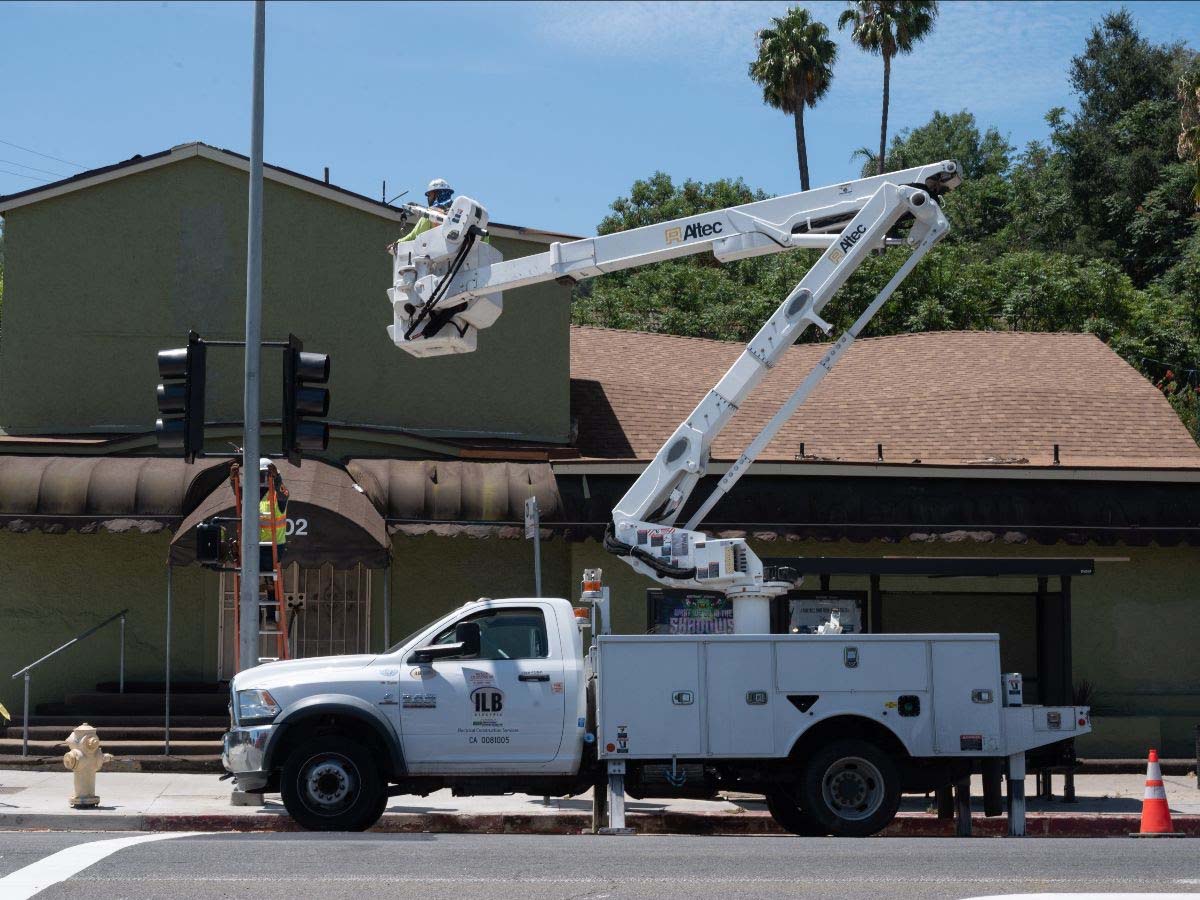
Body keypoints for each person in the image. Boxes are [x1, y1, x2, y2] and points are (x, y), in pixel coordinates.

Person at [257, 457, 289, 574]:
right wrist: (232, 480)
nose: (263, 479)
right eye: (260, 475)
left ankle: (271, 589)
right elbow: (238, 495)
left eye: (265, 475)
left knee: (271, 579)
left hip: (275, 545)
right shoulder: (252, 494)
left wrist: (277, 479)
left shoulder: (277, 494)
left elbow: (283, 494)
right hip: (256, 544)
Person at [398, 178, 454, 243]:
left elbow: (414, 236)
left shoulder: (430, 214)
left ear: (436, 194)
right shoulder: (455, 213)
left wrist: (398, 243)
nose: (428, 198)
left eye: (429, 195)